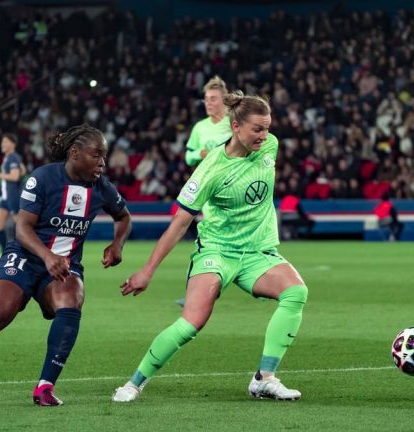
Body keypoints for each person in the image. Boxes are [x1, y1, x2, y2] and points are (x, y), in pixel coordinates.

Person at [0, 124, 132, 408]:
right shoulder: (41, 179)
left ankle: (45, 387)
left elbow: (124, 217)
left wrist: (117, 245)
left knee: (72, 299)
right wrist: (47, 257)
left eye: (104, 155)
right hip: (26, 258)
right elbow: (22, 229)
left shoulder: (102, 188)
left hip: (63, 267)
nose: (102, 162)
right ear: (74, 153)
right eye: (96, 155)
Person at [112, 92, 308, 403]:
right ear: (235, 127)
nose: (264, 135)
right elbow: (179, 224)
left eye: (267, 128)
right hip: (217, 251)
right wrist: (147, 271)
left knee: (296, 292)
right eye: (257, 129)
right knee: (192, 323)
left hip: (257, 252)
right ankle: (134, 383)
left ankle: (264, 378)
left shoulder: (271, 146)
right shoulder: (210, 170)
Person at [177, 75, 233, 306]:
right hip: (209, 190)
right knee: (209, 239)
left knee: (223, 239)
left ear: (224, 100)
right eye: (206, 99)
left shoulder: (233, 122)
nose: (208, 103)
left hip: (233, 186)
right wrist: (198, 154)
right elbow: (188, 154)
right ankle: (200, 289)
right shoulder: (200, 127)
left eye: (213, 99)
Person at [0, 133, 26, 266]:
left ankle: (25, 255)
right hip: (4, 197)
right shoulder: (9, 158)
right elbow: (22, 170)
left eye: (5, 142)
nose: (2, 144)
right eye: (2, 142)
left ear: (13, 144)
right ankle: (5, 256)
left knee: (22, 228)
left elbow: (15, 176)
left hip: (13, 197)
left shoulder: (13, 157)